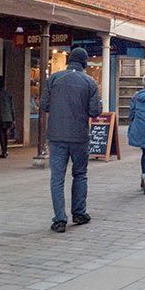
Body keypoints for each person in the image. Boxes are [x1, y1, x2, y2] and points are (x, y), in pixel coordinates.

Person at [40, 47, 101, 233]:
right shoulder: (90, 82)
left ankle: (59, 219)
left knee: (57, 177)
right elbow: (95, 112)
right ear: (84, 63)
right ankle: (79, 212)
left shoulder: (54, 79)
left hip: (56, 136)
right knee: (80, 174)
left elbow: (44, 105)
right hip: (79, 136)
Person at [0, 76, 15, 158]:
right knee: (5, 134)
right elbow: (12, 107)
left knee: (1, 134)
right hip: (8, 117)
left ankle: (3, 151)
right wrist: (13, 118)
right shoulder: (9, 94)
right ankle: (5, 150)